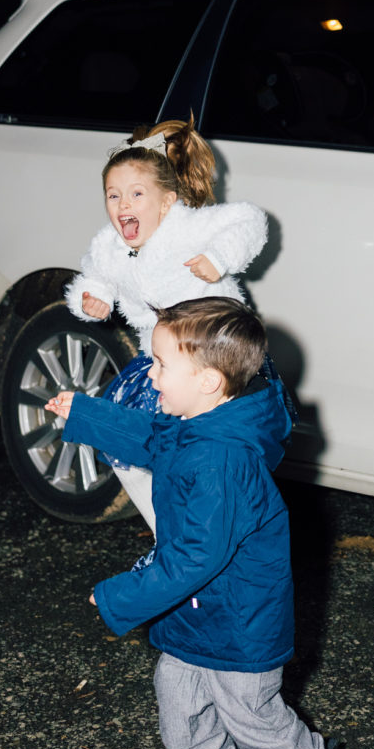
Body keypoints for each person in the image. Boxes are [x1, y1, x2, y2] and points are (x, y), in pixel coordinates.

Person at [47, 297, 345, 749]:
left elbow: (193, 559)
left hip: (238, 619)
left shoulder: (222, 459)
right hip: (196, 611)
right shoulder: (197, 424)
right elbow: (151, 439)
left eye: (160, 365)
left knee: (250, 713)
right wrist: (87, 416)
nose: (150, 373)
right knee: (178, 699)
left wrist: (120, 596)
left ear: (208, 381)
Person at [65, 118, 269, 531]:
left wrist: (219, 258)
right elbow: (94, 276)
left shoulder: (187, 227)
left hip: (214, 356)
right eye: (114, 195)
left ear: (167, 202)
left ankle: (221, 527)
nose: (123, 205)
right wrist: (93, 300)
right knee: (138, 445)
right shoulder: (110, 245)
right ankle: (171, 533)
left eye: (136, 195)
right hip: (164, 364)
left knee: (212, 450)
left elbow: (249, 222)